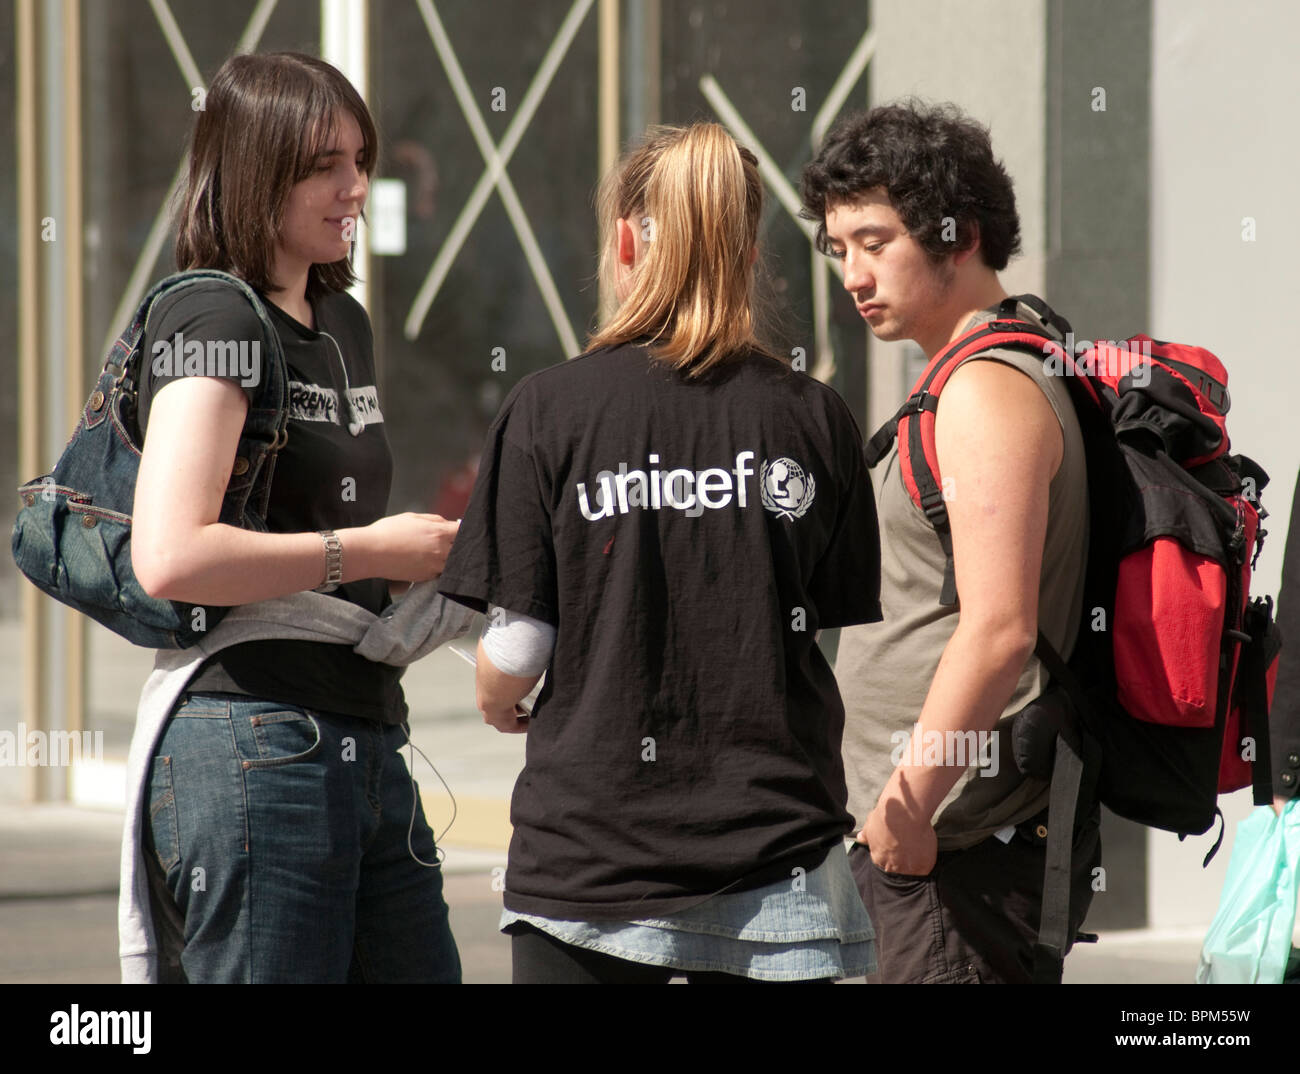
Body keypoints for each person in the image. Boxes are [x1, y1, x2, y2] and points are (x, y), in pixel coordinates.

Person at [436, 122, 884, 983]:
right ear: (749, 253)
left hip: (591, 867)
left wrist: (496, 698)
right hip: (776, 857)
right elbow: (823, 631)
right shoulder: (814, 416)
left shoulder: (549, 409)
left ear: (627, 242)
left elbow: (520, 646)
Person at [128, 51, 462, 983]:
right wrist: (368, 548)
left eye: (360, 158)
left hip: (362, 731)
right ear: (253, 169)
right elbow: (170, 555)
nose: (355, 186)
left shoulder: (338, 320)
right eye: (324, 164)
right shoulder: (213, 318)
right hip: (253, 736)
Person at [801, 100, 1099, 983]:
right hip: (944, 840)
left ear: (958, 234)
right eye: (837, 248)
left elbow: (1000, 629)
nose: (852, 273)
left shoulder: (983, 391)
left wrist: (908, 803)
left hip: (958, 846)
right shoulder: (995, 368)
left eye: (875, 240)